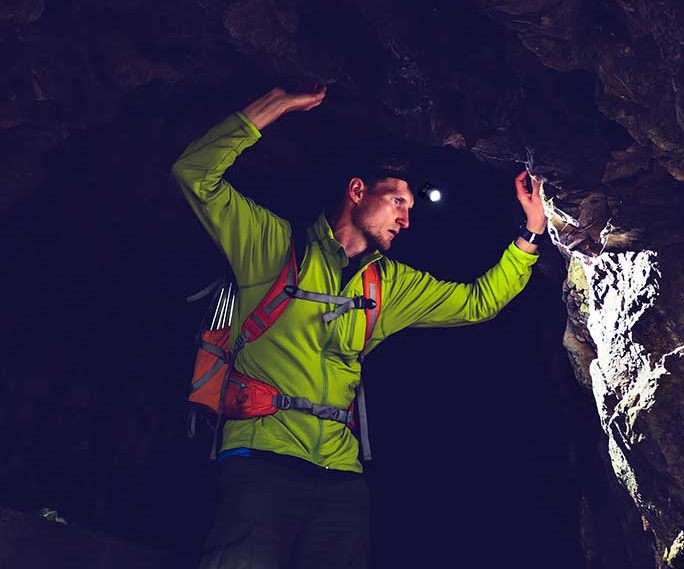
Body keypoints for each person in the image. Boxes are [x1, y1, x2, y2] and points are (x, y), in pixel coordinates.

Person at [171, 87, 547, 569]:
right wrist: (279, 103)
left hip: (341, 477)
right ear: (356, 192)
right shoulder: (272, 248)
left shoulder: (388, 285)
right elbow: (194, 174)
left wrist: (531, 232)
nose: (405, 219)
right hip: (260, 461)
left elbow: (478, 301)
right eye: (397, 201)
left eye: (410, 208)